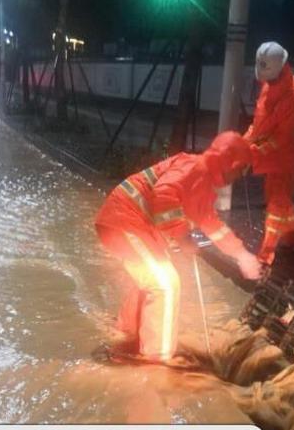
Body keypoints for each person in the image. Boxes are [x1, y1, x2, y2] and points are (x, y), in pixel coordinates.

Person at [95, 132, 263, 362]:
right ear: (230, 163)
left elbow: (212, 224)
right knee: (165, 284)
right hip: (126, 222)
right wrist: (183, 237)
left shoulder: (202, 179)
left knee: (152, 281)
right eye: (241, 169)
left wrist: (242, 255)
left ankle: (126, 334)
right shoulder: (194, 168)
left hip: (128, 223)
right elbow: (164, 196)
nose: (240, 176)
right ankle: (157, 359)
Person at [243, 41, 294, 265]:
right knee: (276, 198)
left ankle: (266, 254)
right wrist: (244, 143)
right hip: (273, 156)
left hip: (289, 157)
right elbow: (260, 123)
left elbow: (282, 136)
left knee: (276, 204)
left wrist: (252, 152)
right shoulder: (269, 83)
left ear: (281, 67)